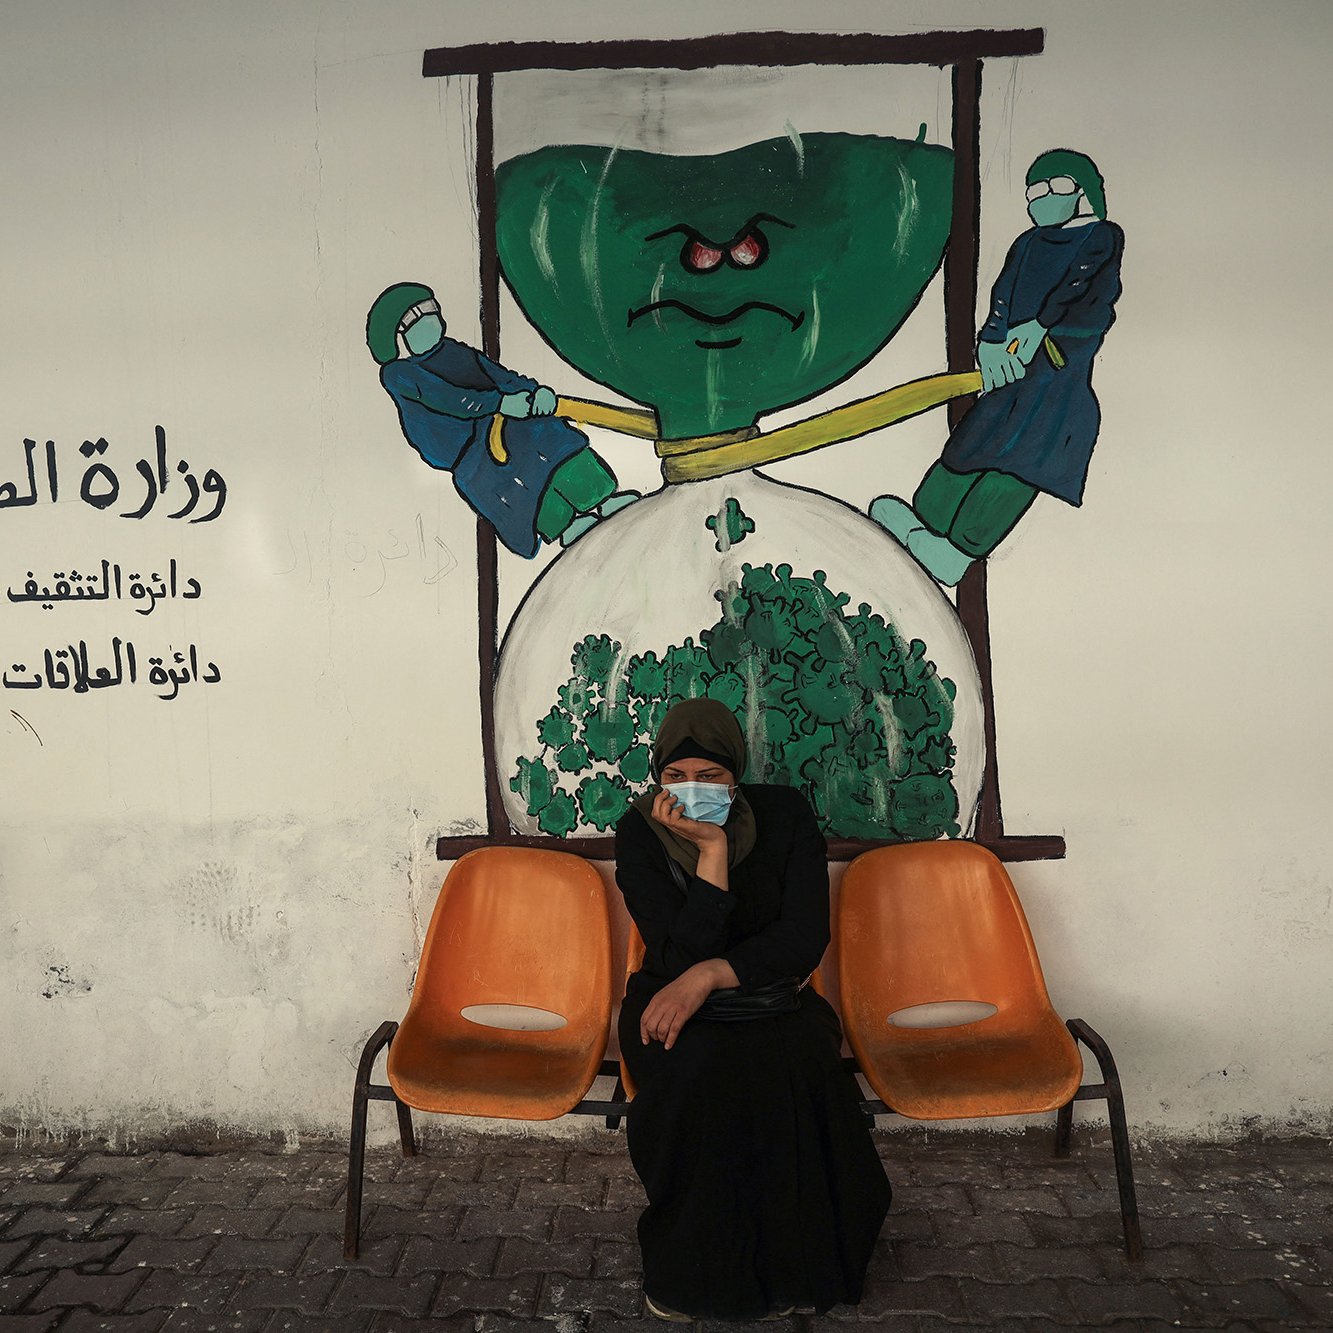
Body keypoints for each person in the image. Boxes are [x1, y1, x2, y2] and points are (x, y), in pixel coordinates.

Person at [615, 698, 891, 1321]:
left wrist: (713, 974)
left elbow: (803, 937)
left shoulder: (785, 815)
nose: (692, 789)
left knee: (794, 1071)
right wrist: (711, 854)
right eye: (676, 776)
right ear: (657, 777)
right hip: (667, 1000)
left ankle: (795, 1269)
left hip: (772, 1000)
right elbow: (675, 950)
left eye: (710, 777)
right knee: (699, 1079)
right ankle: (693, 1275)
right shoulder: (639, 833)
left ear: (735, 774)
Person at [870, 149, 1125, 585]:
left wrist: (1040, 327)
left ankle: (957, 552)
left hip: (1056, 373)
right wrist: (989, 342)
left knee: (1021, 460)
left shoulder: (1102, 235)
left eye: (1057, 187)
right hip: (1007, 369)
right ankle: (924, 523)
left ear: (1083, 191)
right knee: (971, 445)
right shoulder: (1027, 243)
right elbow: (1002, 294)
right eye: (1035, 191)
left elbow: (1078, 287)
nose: (1044, 198)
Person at [366, 281, 635, 558]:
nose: (429, 319)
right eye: (416, 317)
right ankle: (565, 524)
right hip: (468, 451)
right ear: (398, 333)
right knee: (515, 479)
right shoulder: (399, 374)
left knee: (547, 431)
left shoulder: (454, 351)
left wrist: (534, 391)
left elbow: (499, 376)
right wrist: (501, 403)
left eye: (431, 310)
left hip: (500, 419)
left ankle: (602, 497)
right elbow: (447, 397)